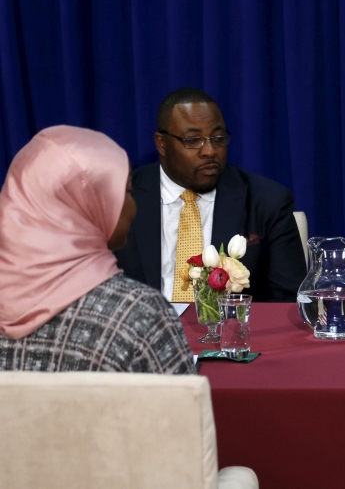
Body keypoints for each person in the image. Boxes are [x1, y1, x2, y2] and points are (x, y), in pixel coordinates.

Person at [0, 126, 194, 374]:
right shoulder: (139, 314)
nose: (133, 206)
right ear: (86, 204)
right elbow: (184, 409)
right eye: (126, 191)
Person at [114, 87, 307, 302]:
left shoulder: (266, 201)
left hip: (232, 332)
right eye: (193, 140)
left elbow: (287, 301)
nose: (209, 151)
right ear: (162, 143)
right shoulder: (119, 198)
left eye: (218, 138)